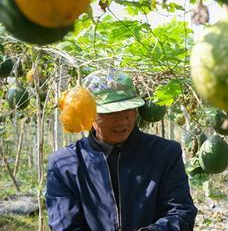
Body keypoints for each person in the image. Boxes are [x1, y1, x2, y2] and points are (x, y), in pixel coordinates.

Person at [46, 70, 197, 231]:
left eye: (129, 109)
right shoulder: (65, 164)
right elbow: (65, 225)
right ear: (88, 115)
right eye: (111, 112)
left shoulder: (165, 154)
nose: (122, 120)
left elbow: (181, 213)